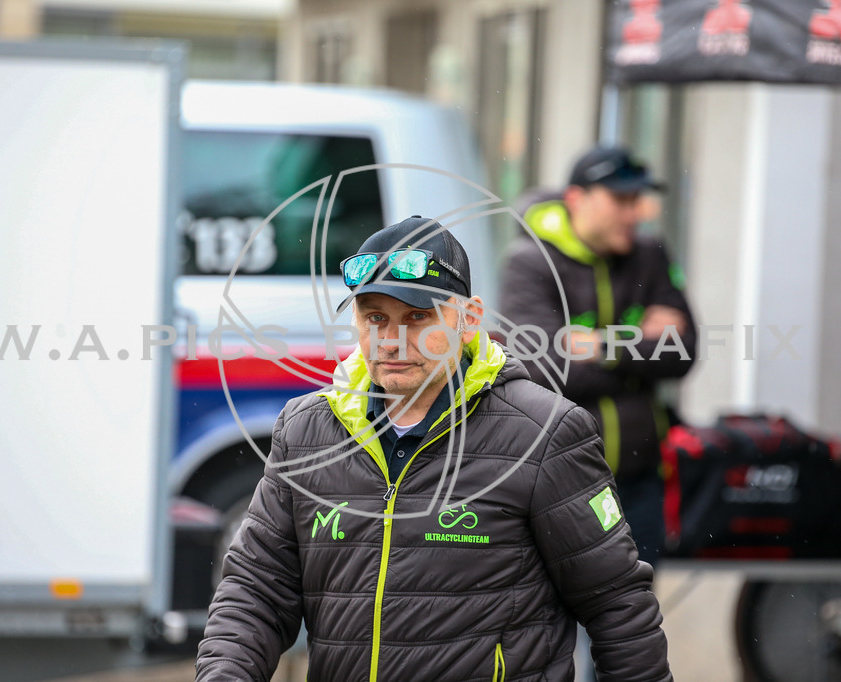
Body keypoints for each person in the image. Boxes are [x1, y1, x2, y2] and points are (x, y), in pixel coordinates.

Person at [196, 216, 672, 681]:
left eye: (418, 318)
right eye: (375, 317)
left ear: (469, 320)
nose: (391, 339)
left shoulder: (545, 432)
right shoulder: (306, 431)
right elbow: (254, 592)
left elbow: (617, 604)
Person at [500, 146, 698, 569]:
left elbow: (685, 352)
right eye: (621, 200)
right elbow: (543, 370)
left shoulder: (650, 256)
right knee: (558, 624)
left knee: (632, 617)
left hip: (640, 478)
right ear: (577, 199)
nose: (636, 213)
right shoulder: (530, 261)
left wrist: (600, 346)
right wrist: (640, 352)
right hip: (558, 478)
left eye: (638, 200)